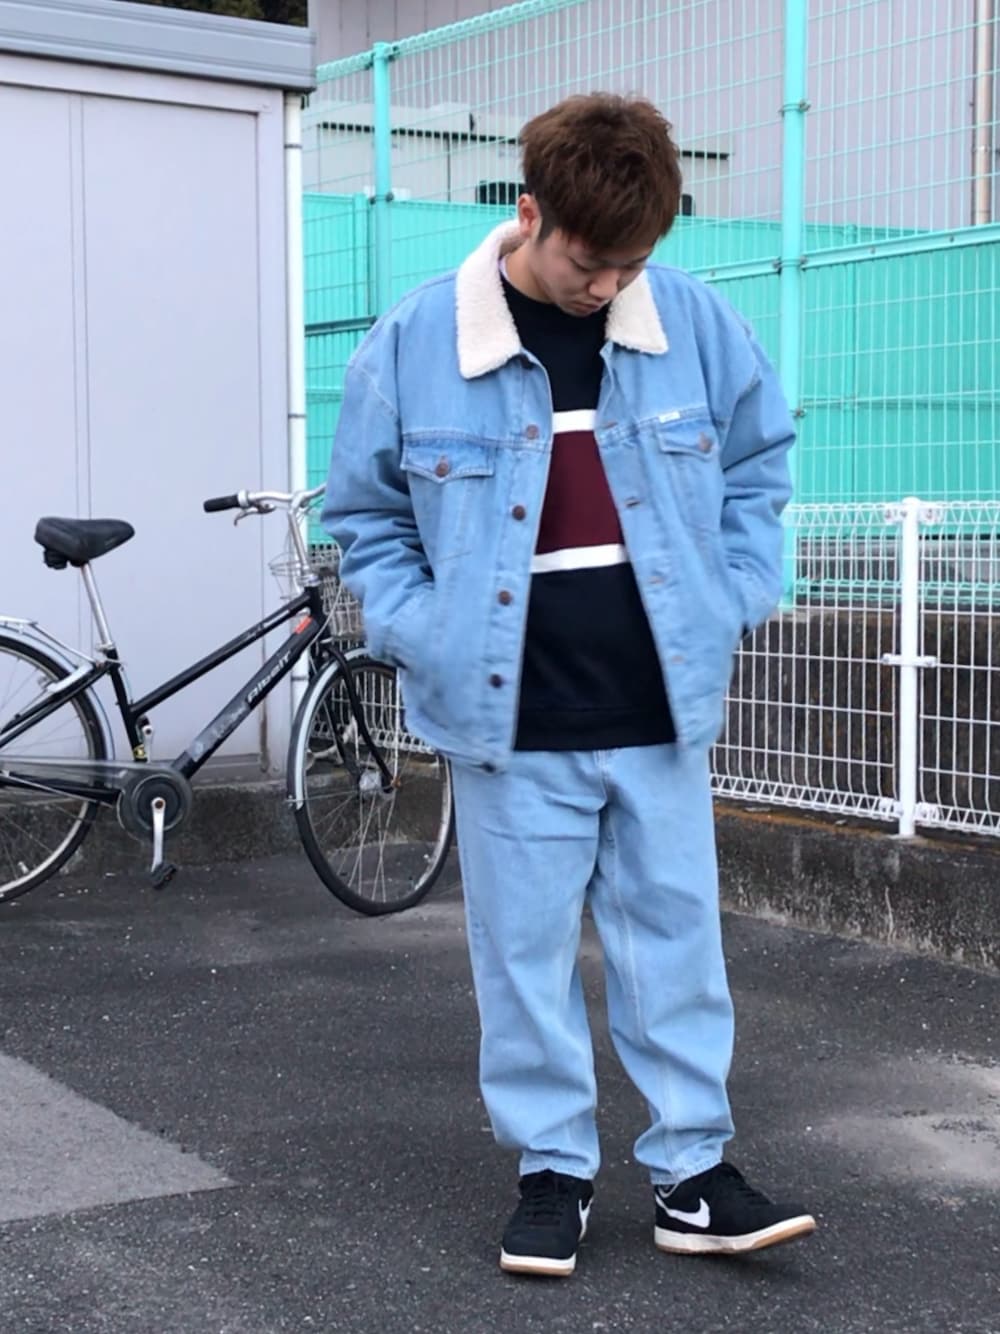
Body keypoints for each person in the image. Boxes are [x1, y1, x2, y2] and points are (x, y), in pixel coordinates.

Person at [322, 92, 815, 1277]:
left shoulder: (693, 323)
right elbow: (367, 517)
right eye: (589, 263)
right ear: (529, 212)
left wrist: (735, 590)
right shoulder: (416, 341)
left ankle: (691, 1174)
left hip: (659, 703)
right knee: (524, 953)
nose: (606, 287)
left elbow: (759, 467)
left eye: (630, 265)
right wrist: (425, 630)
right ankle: (552, 1169)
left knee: (674, 944)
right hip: (508, 709)